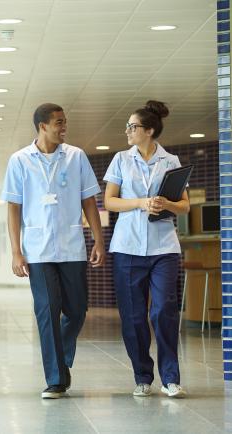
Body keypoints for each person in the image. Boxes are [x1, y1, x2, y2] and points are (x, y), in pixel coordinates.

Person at [0, 103, 105, 399]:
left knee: (76, 311)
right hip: (37, 250)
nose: (63, 127)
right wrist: (16, 251)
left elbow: (89, 201)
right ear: (42, 126)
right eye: (58, 122)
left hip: (72, 247)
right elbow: (13, 207)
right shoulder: (20, 160)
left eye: (64, 122)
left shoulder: (76, 157)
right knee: (47, 311)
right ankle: (56, 377)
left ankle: (58, 355)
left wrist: (98, 240)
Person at [103, 100, 189, 398]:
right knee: (134, 316)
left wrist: (166, 204)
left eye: (133, 126)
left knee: (164, 309)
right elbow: (110, 202)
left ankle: (170, 378)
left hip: (164, 247)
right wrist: (141, 203)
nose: (127, 131)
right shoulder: (121, 160)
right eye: (128, 126)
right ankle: (142, 376)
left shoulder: (171, 161)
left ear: (149, 130)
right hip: (127, 247)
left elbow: (185, 205)